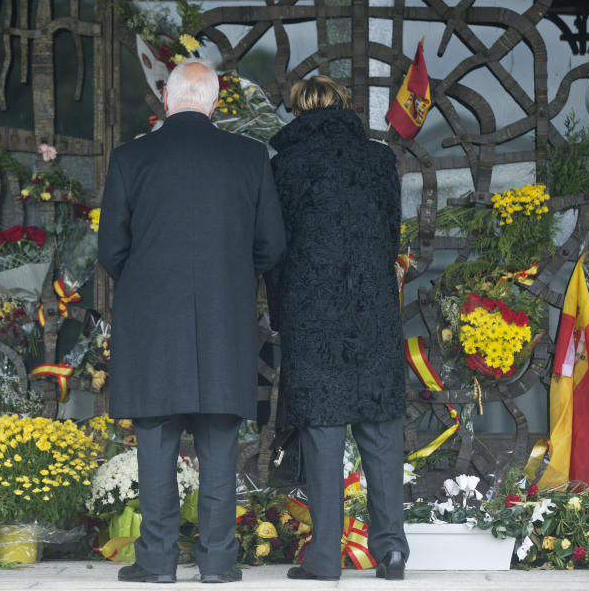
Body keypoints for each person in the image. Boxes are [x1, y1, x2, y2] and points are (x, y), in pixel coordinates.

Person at [98, 60, 286, 584]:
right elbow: (272, 244)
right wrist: (231, 278)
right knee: (220, 442)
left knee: (156, 443)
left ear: (166, 98)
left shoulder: (131, 157)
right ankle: (219, 562)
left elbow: (111, 248)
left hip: (153, 324)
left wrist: (146, 285)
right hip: (225, 321)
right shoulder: (249, 157)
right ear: (214, 102)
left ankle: (157, 562)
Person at [265, 75, 409, 581]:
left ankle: (325, 557)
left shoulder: (284, 165)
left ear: (298, 110)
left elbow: (275, 252)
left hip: (312, 312)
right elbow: (391, 235)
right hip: (372, 307)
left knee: (322, 433)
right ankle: (390, 550)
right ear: (344, 106)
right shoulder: (379, 159)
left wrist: (282, 310)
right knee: (381, 428)